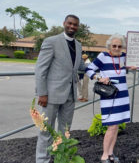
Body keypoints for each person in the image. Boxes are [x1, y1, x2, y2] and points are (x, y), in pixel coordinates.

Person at [35, 15, 86, 163]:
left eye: (75, 24)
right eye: (69, 23)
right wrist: (42, 93)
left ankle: (61, 158)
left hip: (70, 96)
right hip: (50, 95)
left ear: (78, 27)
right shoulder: (51, 42)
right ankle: (42, 160)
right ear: (64, 23)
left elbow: (80, 67)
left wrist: (101, 65)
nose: (72, 26)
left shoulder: (78, 45)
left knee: (65, 132)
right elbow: (40, 69)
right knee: (46, 131)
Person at [86, 33, 131, 163]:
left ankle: (111, 153)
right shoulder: (103, 56)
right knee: (111, 126)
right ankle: (105, 155)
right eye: (114, 46)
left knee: (116, 126)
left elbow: (132, 65)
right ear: (109, 46)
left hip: (122, 95)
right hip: (110, 96)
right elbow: (89, 70)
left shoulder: (124, 57)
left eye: (119, 46)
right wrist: (100, 78)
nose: (117, 48)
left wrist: (133, 66)